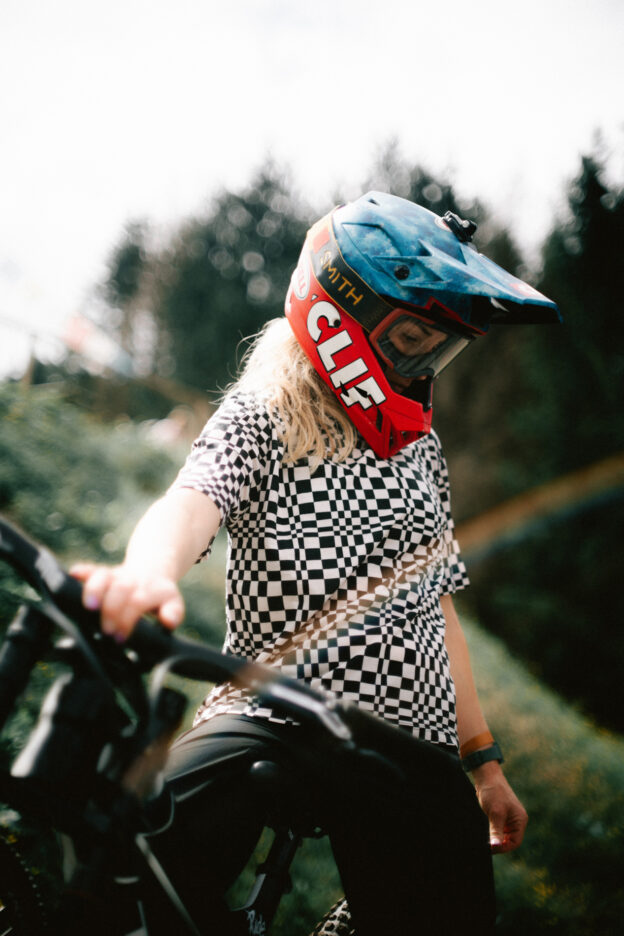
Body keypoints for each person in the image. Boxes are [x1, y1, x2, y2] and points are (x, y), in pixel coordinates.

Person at [71, 192, 561, 935]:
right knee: (134, 862)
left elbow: (439, 607)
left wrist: (484, 764)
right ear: (340, 315)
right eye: (410, 340)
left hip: (411, 744)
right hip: (274, 711)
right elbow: (192, 499)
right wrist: (147, 575)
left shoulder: (420, 450)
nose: (423, 364)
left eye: (439, 349)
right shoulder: (265, 410)